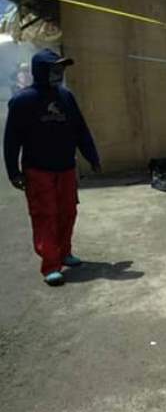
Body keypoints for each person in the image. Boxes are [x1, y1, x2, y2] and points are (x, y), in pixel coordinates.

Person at [3, 49, 101, 286]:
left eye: (61, 69)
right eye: (55, 69)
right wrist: (13, 172)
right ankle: (51, 265)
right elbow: (11, 139)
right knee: (45, 216)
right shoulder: (23, 101)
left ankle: (64, 252)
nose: (59, 73)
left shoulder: (66, 97)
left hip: (66, 168)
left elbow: (80, 130)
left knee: (68, 212)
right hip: (38, 170)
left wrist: (92, 156)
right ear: (41, 71)